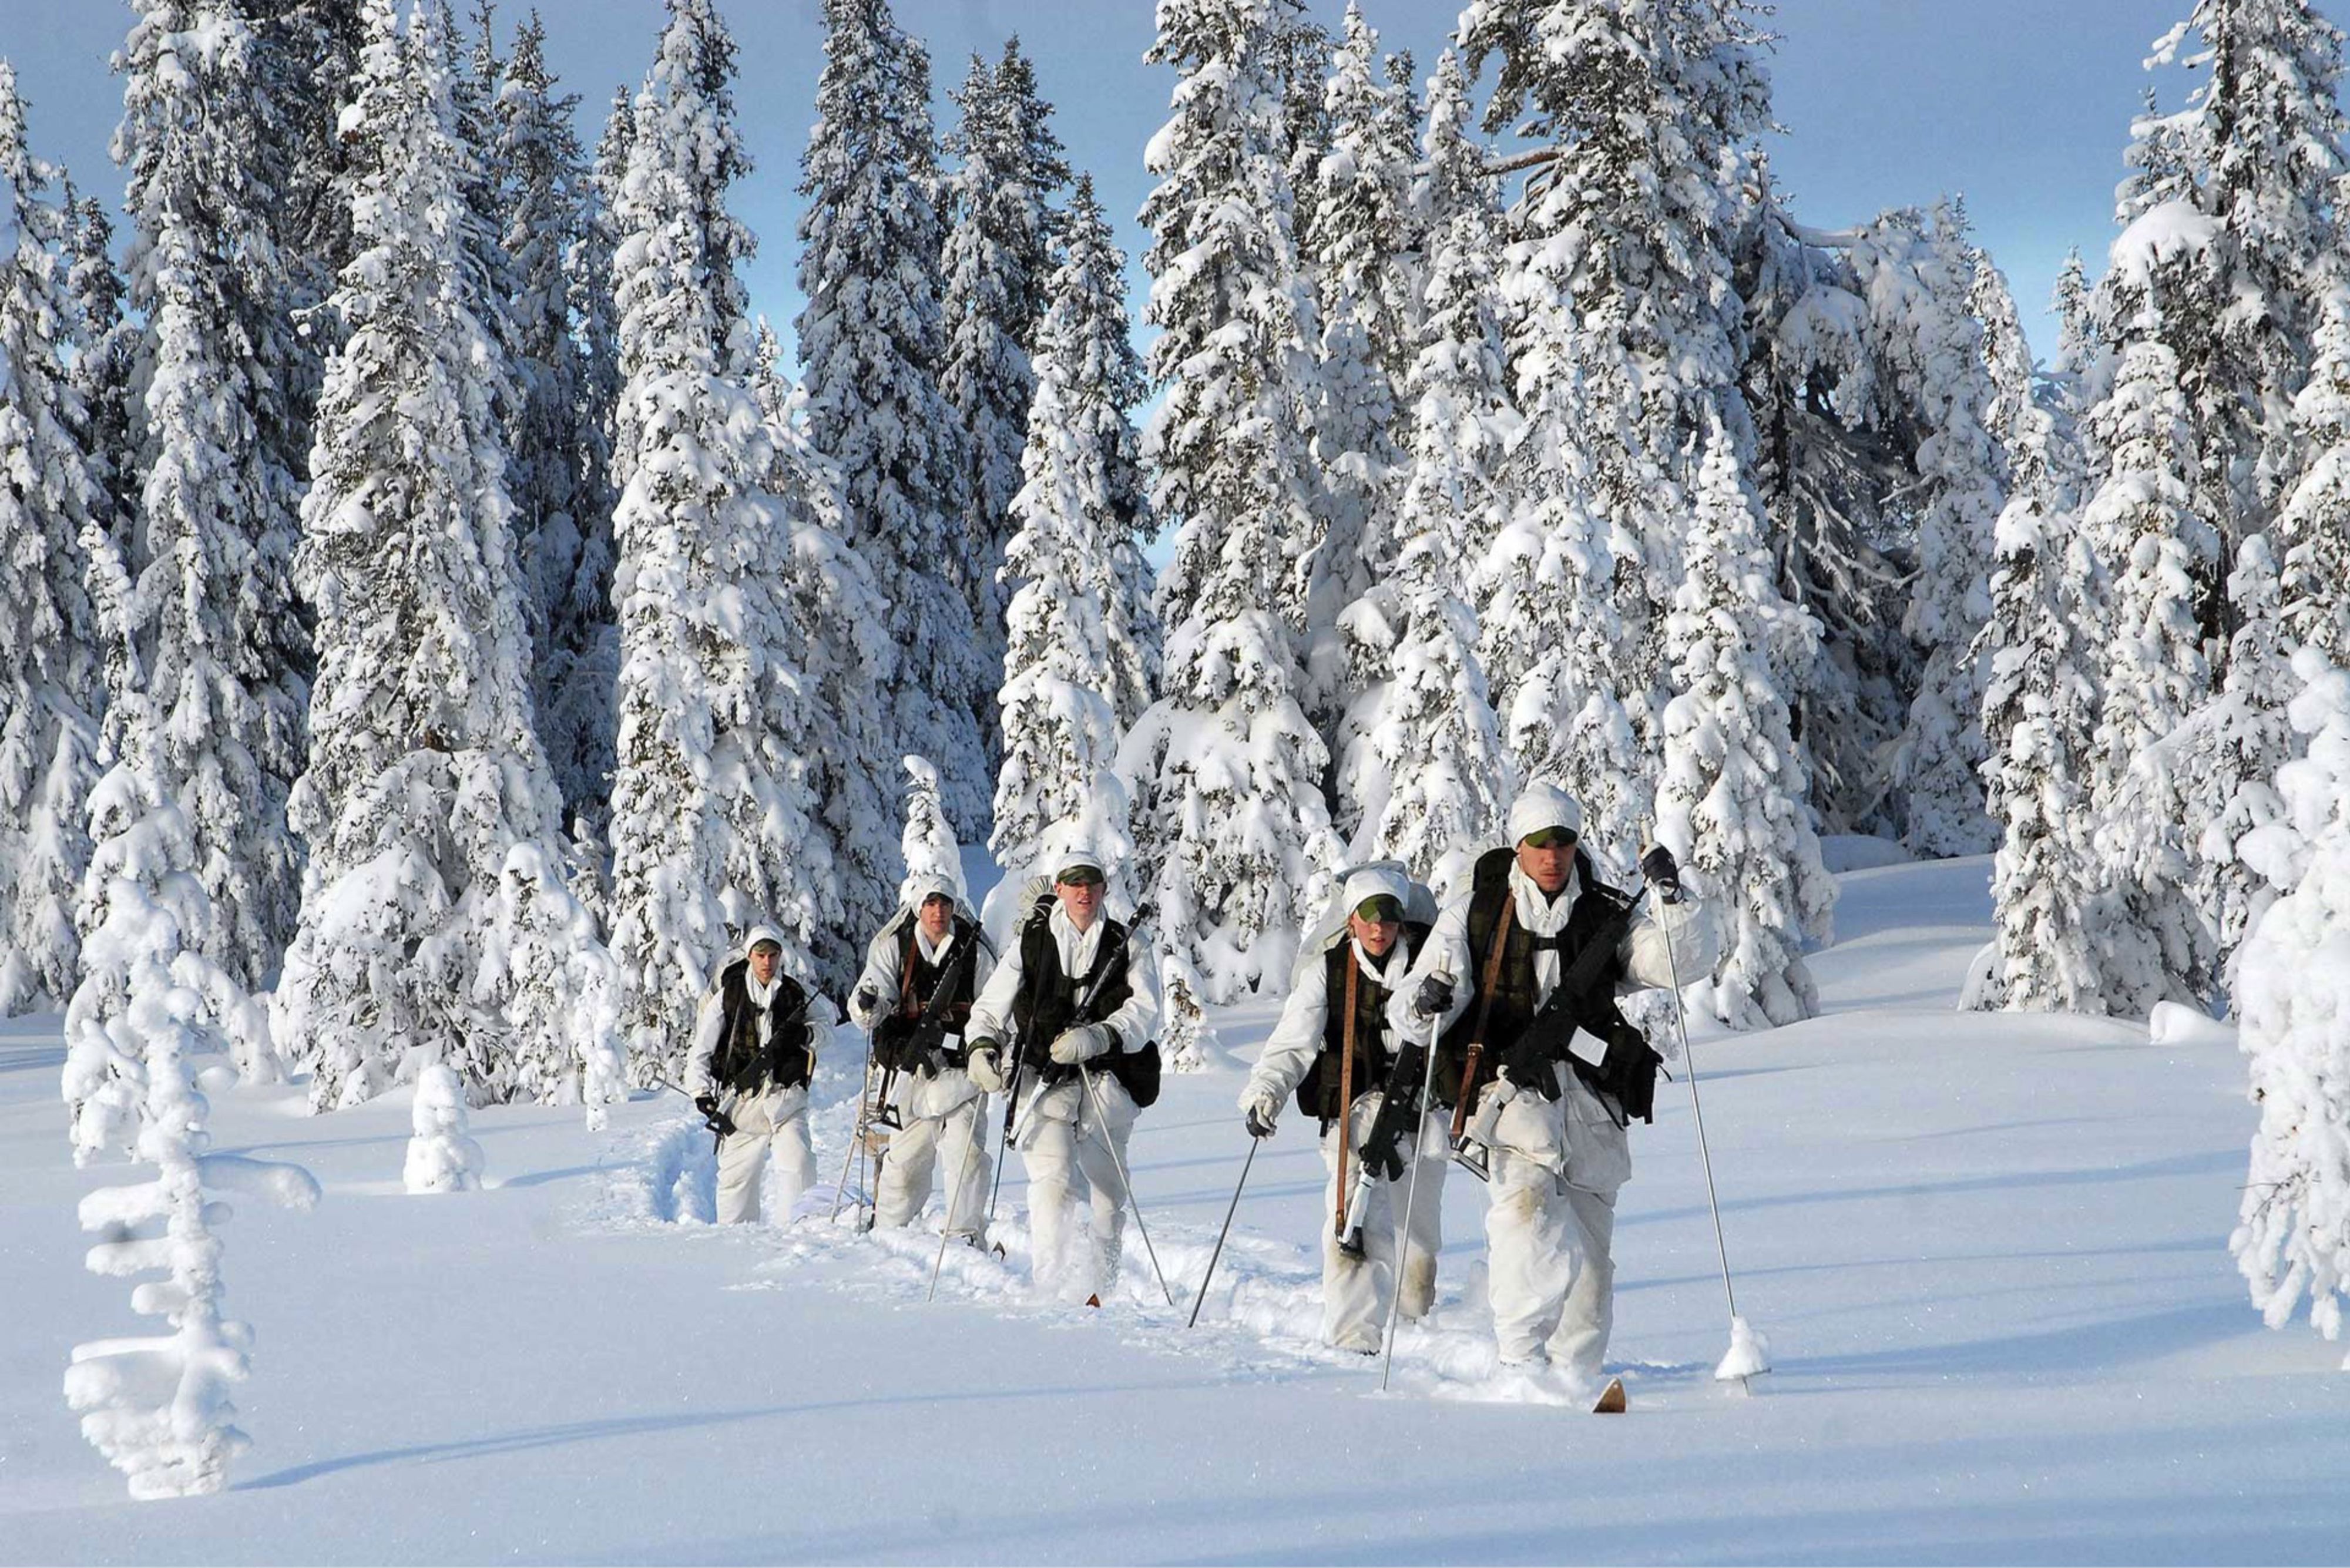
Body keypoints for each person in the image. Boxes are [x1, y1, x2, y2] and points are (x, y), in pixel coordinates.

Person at [1395, 783, 1720, 1392]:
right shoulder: (1477, 914)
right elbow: (1417, 1006)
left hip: (1595, 1105)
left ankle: (1576, 1377)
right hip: (1514, 1100)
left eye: (1563, 840)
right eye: (1539, 842)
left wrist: (1673, 899)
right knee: (1525, 1220)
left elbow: (1679, 963)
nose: (1552, 854)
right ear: (1518, 846)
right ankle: (1519, 1365)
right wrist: (1425, 1000)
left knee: (1591, 1263)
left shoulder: (1603, 912)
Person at [1238, 864, 1435, 1352]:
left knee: (1418, 1236)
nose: (1378, 927)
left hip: (1423, 1115)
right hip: (1353, 1114)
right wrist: (1266, 1092)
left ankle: (1413, 1322)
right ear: (1351, 921)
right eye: (1368, 916)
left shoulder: (1431, 963)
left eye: (1388, 915)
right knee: (1353, 1221)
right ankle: (1356, 1339)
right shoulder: (1330, 971)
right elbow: (1292, 1040)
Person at [964, 849, 1160, 1303]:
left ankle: (1100, 1291)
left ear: (1104, 889)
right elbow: (992, 1005)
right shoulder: (1031, 941)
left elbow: (1146, 1012)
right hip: (1043, 1083)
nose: (1084, 890)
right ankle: (1051, 1293)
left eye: (1091, 882)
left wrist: (1100, 1036)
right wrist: (981, 1046)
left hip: (1108, 1082)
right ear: (1060, 889)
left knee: (1109, 1195)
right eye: (1074, 882)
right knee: (1052, 1182)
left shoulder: (1129, 941)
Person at [844, 872, 997, 1240]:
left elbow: (993, 1002)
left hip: (962, 1072)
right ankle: (887, 1233)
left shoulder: (973, 949)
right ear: (919, 908)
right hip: (912, 1074)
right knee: (904, 1165)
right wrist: (870, 1007)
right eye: (930, 903)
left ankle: (965, 1234)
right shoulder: (895, 946)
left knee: (967, 1156)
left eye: (944, 903)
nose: (938, 911)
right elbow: (870, 998)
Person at [683, 925, 827, 1225]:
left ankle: (800, 1233)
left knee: (799, 1163)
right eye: (761, 955)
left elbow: (829, 1026)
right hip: (742, 1104)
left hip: (786, 1100)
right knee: (735, 1184)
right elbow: (702, 1048)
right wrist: (701, 1094)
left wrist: (806, 1034)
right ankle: (735, 1247)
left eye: (773, 955)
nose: (767, 962)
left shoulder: (795, 992)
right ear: (749, 956)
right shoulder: (729, 997)